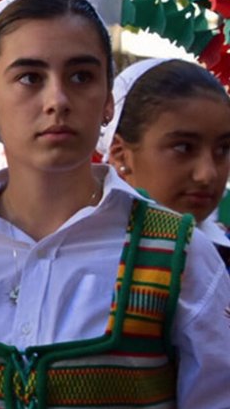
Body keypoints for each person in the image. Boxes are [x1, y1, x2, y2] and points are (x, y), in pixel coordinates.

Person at [0, 0, 230, 409]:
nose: (58, 101)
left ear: (107, 101)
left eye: (82, 77)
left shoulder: (179, 254)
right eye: (30, 77)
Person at [98, 58, 230, 268]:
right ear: (120, 154)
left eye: (223, 149)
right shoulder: (83, 259)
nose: (207, 174)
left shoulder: (222, 262)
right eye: (183, 148)